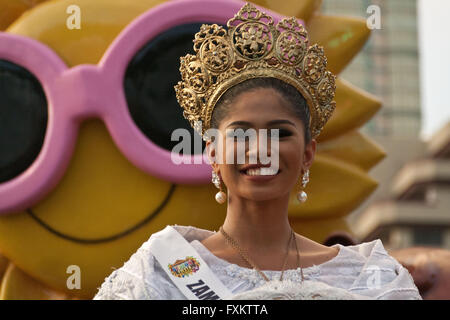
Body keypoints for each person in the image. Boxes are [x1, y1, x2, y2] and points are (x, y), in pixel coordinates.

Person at [93, 3, 422, 300]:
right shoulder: (162, 271)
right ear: (212, 153)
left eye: (280, 133)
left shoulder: (369, 277)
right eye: (240, 134)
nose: (261, 149)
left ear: (308, 153)